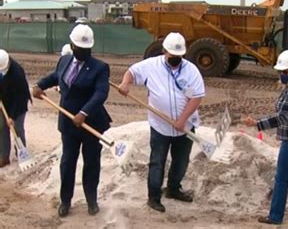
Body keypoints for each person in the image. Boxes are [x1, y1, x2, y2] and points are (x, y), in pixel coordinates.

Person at [117, 32, 205, 213]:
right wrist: (125, 83)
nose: (176, 59)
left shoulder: (191, 70)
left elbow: (196, 97)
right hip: (160, 126)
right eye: (172, 56)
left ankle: (173, 189)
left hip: (185, 126)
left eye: (179, 57)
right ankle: (154, 197)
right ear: (164, 51)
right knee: (157, 161)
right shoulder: (151, 66)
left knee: (181, 161)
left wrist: (182, 120)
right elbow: (131, 72)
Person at [32, 24, 112, 218]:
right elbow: (56, 77)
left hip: (91, 123)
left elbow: (101, 93)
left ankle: (91, 200)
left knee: (91, 163)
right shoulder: (65, 60)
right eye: (80, 48)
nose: (83, 52)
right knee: (67, 162)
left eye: (87, 49)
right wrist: (39, 85)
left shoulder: (100, 68)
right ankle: (65, 201)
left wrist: (84, 112)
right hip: (68, 124)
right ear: (72, 46)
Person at [243, 50, 288, 225]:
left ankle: (275, 216)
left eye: (284, 72)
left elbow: (282, 117)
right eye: (280, 72)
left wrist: (257, 123)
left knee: (281, 178)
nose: (281, 75)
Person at [0, 49, 31, 167]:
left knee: (17, 128)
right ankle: (3, 157)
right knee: (1, 127)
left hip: (18, 105)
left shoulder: (17, 73)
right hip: (3, 102)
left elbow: (20, 98)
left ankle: (22, 155)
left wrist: (12, 116)